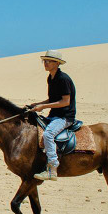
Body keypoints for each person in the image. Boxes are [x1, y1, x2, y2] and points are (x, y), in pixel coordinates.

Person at [27, 49, 76, 181]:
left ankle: (52, 169)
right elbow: (53, 99)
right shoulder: (51, 78)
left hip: (65, 117)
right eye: (44, 61)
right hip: (53, 115)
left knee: (48, 135)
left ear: (57, 63)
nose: (46, 63)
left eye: (49, 61)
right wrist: (38, 104)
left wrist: (43, 107)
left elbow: (65, 101)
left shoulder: (63, 79)